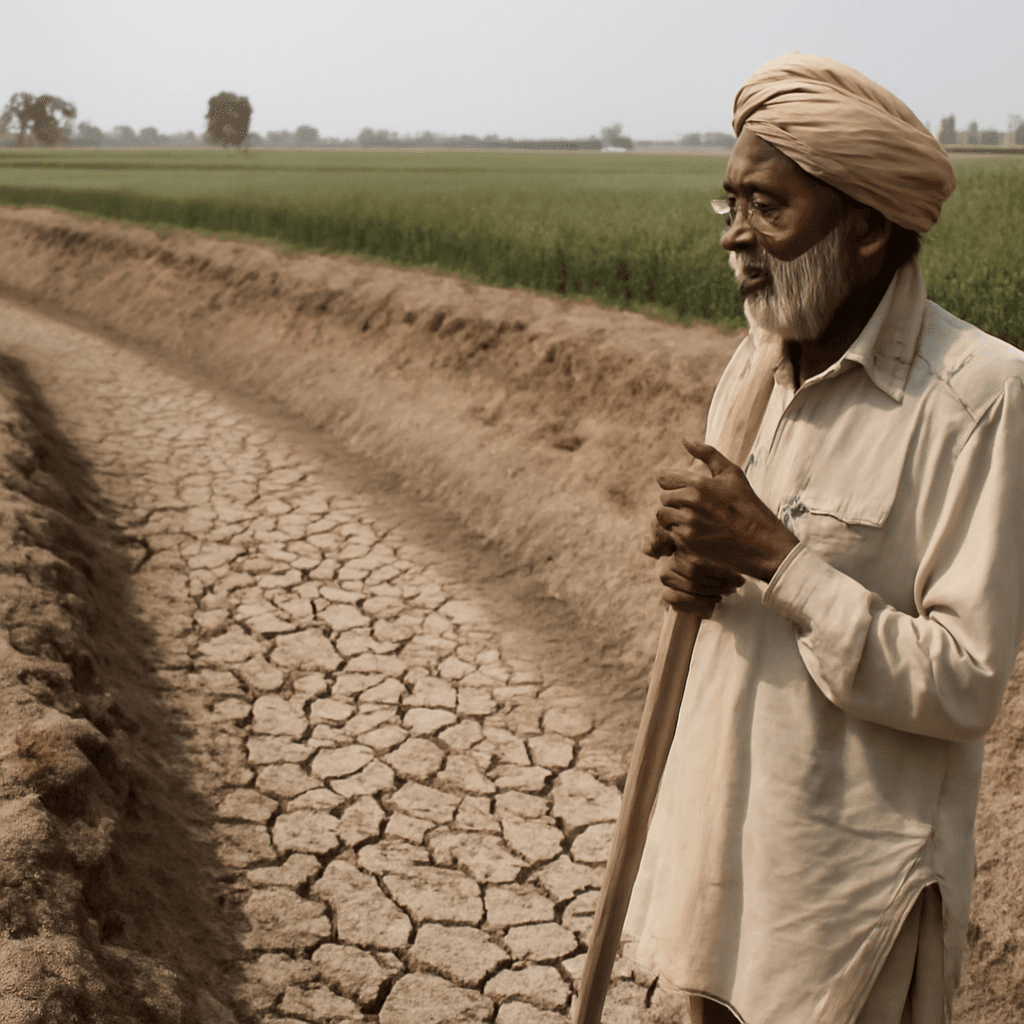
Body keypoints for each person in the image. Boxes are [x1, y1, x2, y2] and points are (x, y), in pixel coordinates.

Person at [622, 53, 1024, 1024]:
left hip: (843, 905)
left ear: (870, 228)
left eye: (768, 208)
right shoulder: (755, 363)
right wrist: (700, 560)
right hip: (717, 849)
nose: (737, 240)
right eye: (728, 206)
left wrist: (772, 555)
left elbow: (963, 681)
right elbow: (746, 570)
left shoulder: (976, 398)